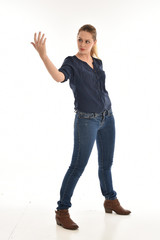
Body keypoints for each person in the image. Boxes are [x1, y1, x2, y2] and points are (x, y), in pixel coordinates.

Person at [31, 24, 131, 230]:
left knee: (106, 163)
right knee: (77, 166)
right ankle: (62, 210)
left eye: (87, 41)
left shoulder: (98, 62)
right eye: (80, 39)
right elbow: (59, 77)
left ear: (94, 42)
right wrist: (43, 56)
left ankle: (110, 199)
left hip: (108, 117)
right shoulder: (72, 62)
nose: (83, 44)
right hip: (87, 120)